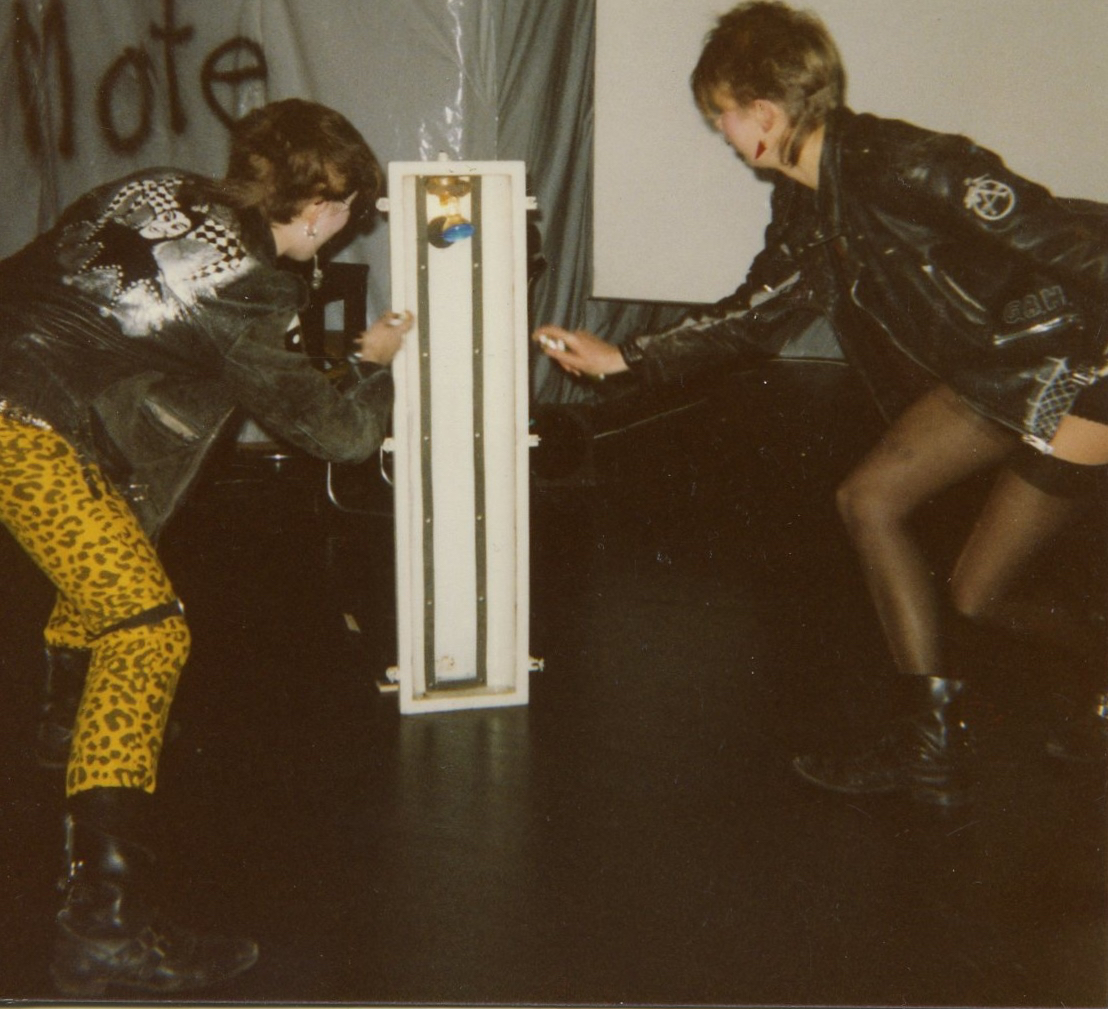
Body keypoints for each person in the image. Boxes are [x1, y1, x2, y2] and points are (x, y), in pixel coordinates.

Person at [535, 1, 1108, 806]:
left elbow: (1069, 239)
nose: (721, 132)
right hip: (995, 369)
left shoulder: (909, 164)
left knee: (971, 582)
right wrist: (629, 356)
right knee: (881, 510)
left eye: (722, 115)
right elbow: (754, 312)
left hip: (1081, 361)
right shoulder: (807, 203)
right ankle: (931, 746)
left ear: (764, 113)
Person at [0, 97, 413, 995]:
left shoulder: (156, 186)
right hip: (19, 420)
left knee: (106, 538)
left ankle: (66, 725)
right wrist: (375, 366)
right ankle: (104, 925)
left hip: (25, 386)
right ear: (322, 209)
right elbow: (339, 434)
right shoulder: (253, 288)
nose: (345, 230)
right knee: (146, 630)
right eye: (349, 214)